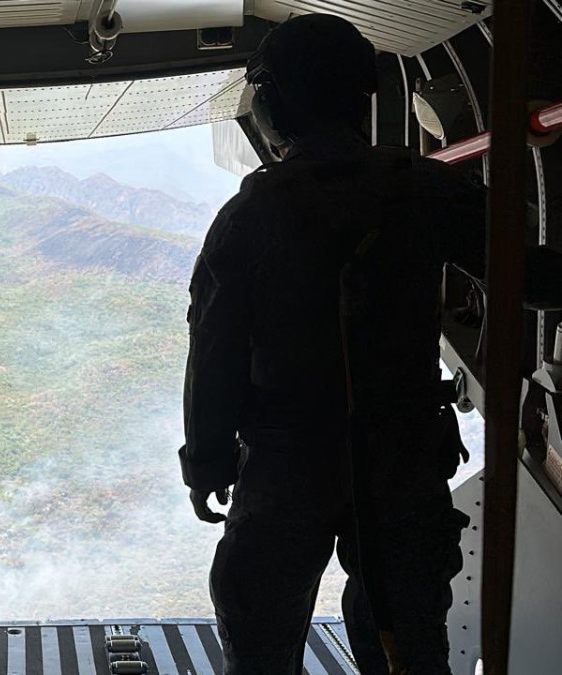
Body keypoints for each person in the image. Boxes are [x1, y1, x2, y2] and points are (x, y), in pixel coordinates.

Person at [178, 14, 483, 674]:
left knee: (261, 634)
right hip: (401, 455)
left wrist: (205, 461)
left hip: (289, 460)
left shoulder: (251, 215)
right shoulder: (426, 190)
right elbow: (524, 269)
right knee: (408, 640)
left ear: (278, 100)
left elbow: (215, 352)